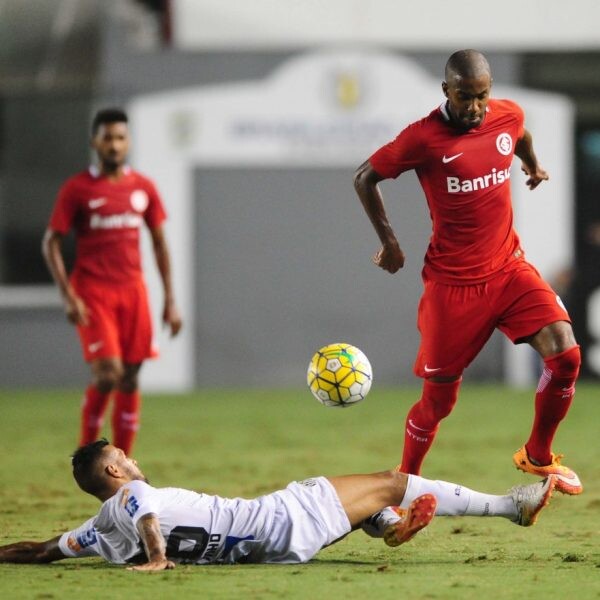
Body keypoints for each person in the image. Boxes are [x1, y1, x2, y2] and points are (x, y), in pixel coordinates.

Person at [353, 49, 582, 495]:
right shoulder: (422, 138)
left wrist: (530, 163)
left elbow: (519, 134)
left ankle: (538, 454)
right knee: (438, 402)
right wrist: (390, 242)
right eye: (464, 97)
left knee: (566, 355)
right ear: (446, 91)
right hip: (453, 286)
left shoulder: (505, 116)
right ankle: (406, 485)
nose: (474, 108)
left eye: (481, 96)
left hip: (510, 269)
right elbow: (364, 177)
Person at [0, 440, 556, 570]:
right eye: (124, 455)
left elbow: (43, 550)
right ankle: (513, 507)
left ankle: (386, 526)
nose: (133, 458)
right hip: (282, 516)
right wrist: (157, 557)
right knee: (392, 478)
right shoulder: (132, 498)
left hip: (276, 549)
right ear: (115, 472)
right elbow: (145, 510)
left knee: (364, 505)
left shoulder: (97, 531)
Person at [42, 108, 182, 456]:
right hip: (93, 292)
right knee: (108, 375)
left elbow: (160, 243)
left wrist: (170, 299)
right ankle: (86, 455)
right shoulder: (77, 189)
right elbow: (51, 242)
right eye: (107, 138)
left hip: (133, 291)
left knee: (131, 378)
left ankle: (123, 462)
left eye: (120, 138)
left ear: (128, 142)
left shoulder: (143, 187)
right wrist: (68, 296)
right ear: (95, 142)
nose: (114, 145)